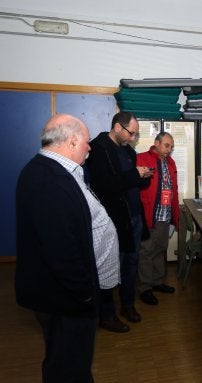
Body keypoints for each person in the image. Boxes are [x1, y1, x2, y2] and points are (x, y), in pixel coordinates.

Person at [15, 114, 120, 382]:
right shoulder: (49, 180)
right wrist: (85, 293)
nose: (90, 146)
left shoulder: (56, 171)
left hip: (65, 294)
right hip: (65, 298)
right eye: (86, 141)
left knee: (68, 362)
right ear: (73, 141)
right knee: (68, 368)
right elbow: (60, 251)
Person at [85, 111, 154, 332]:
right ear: (117, 127)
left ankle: (127, 305)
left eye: (135, 134)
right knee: (108, 267)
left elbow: (131, 185)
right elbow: (105, 185)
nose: (133, 139)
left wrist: (142, 178)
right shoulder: (98, 149)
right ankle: (107, 314)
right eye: (131, 134)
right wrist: (134, 175)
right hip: (112, 220)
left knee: (130, 264)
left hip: (133, 217)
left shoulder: (128, 151)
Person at [136, 132, 179, 305]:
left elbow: (172, 188)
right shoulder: (142, 159)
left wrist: (175, 214)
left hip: (165, 214)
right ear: (156, 143)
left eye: (171, 146)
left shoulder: (171, 162)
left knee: (160, 248)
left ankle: (158, 282)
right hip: (149, 213)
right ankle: (145, 287)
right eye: (166, 145)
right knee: (146, 250)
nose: (169, 149)